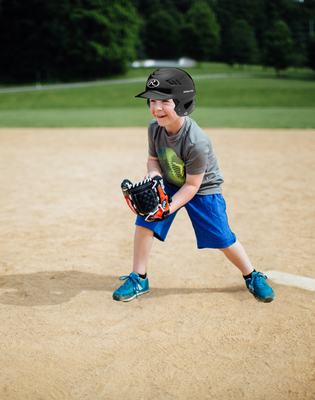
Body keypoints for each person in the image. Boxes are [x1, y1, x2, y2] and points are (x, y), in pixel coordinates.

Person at [113, 68, 275, 303]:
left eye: (165, 101)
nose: (156, 108)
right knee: (146, 220)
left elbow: (192, 186)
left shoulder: (196, 141)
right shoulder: (153, 128)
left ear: (183, 103)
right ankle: (140, 277)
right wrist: (154, 175)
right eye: (152, 100)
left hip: (203, 189)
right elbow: (153, 159)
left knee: (222, 237)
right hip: (169, 181)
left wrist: (167, 208)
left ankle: (251, 275)